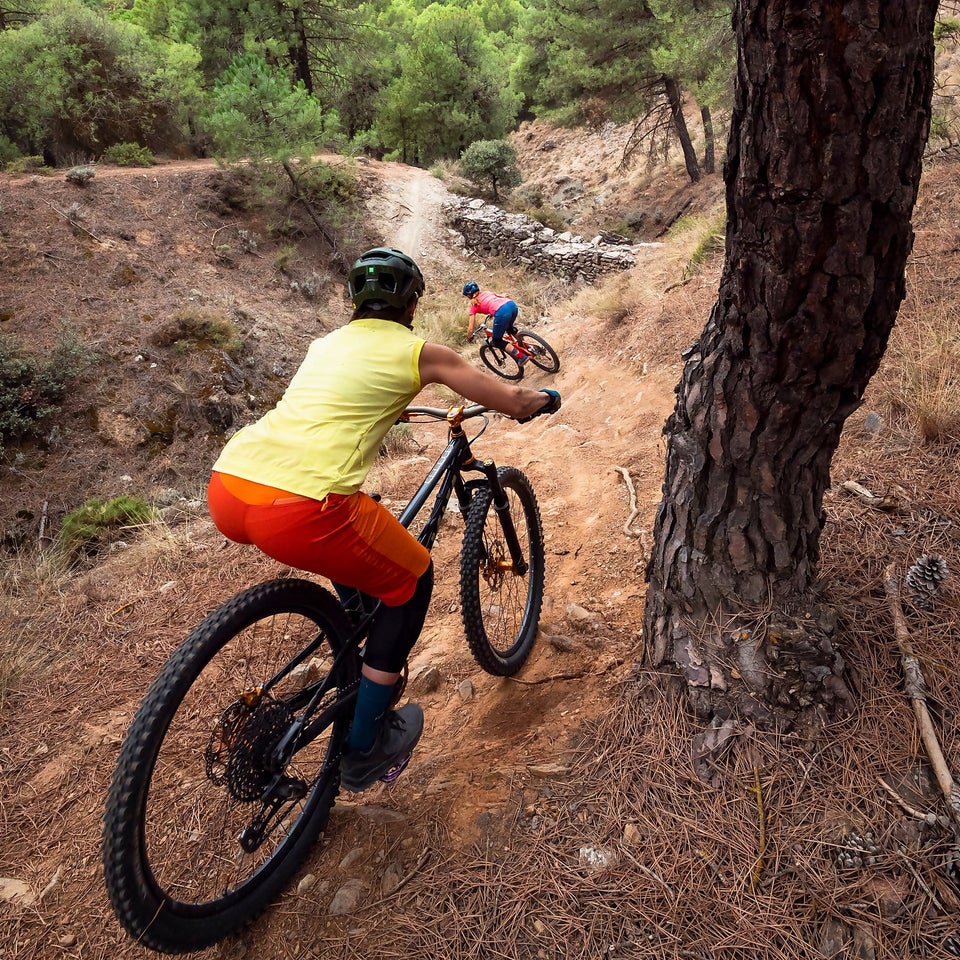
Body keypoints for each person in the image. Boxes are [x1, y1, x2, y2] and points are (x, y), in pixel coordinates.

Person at [206, 248, 560, 793]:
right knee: (413, 580)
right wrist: (544, 397)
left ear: (355, 300)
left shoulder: (323, 345)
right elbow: (511, 399)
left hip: (230, 486)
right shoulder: (422, 353)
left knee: (361, 527)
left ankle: (358, 640)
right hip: (303, 507)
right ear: (413, 302)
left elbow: (334, 402)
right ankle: (365, 744)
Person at [462, 281, 525, 364]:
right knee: (509, 328)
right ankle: (525, 347)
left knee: (497, 341)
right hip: (512, 305)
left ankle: (521, 356)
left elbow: (470, 329)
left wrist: (469, 337)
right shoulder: (487, 293)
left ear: (469, 295)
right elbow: (500, 297)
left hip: (501, 312)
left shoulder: (474, 306)